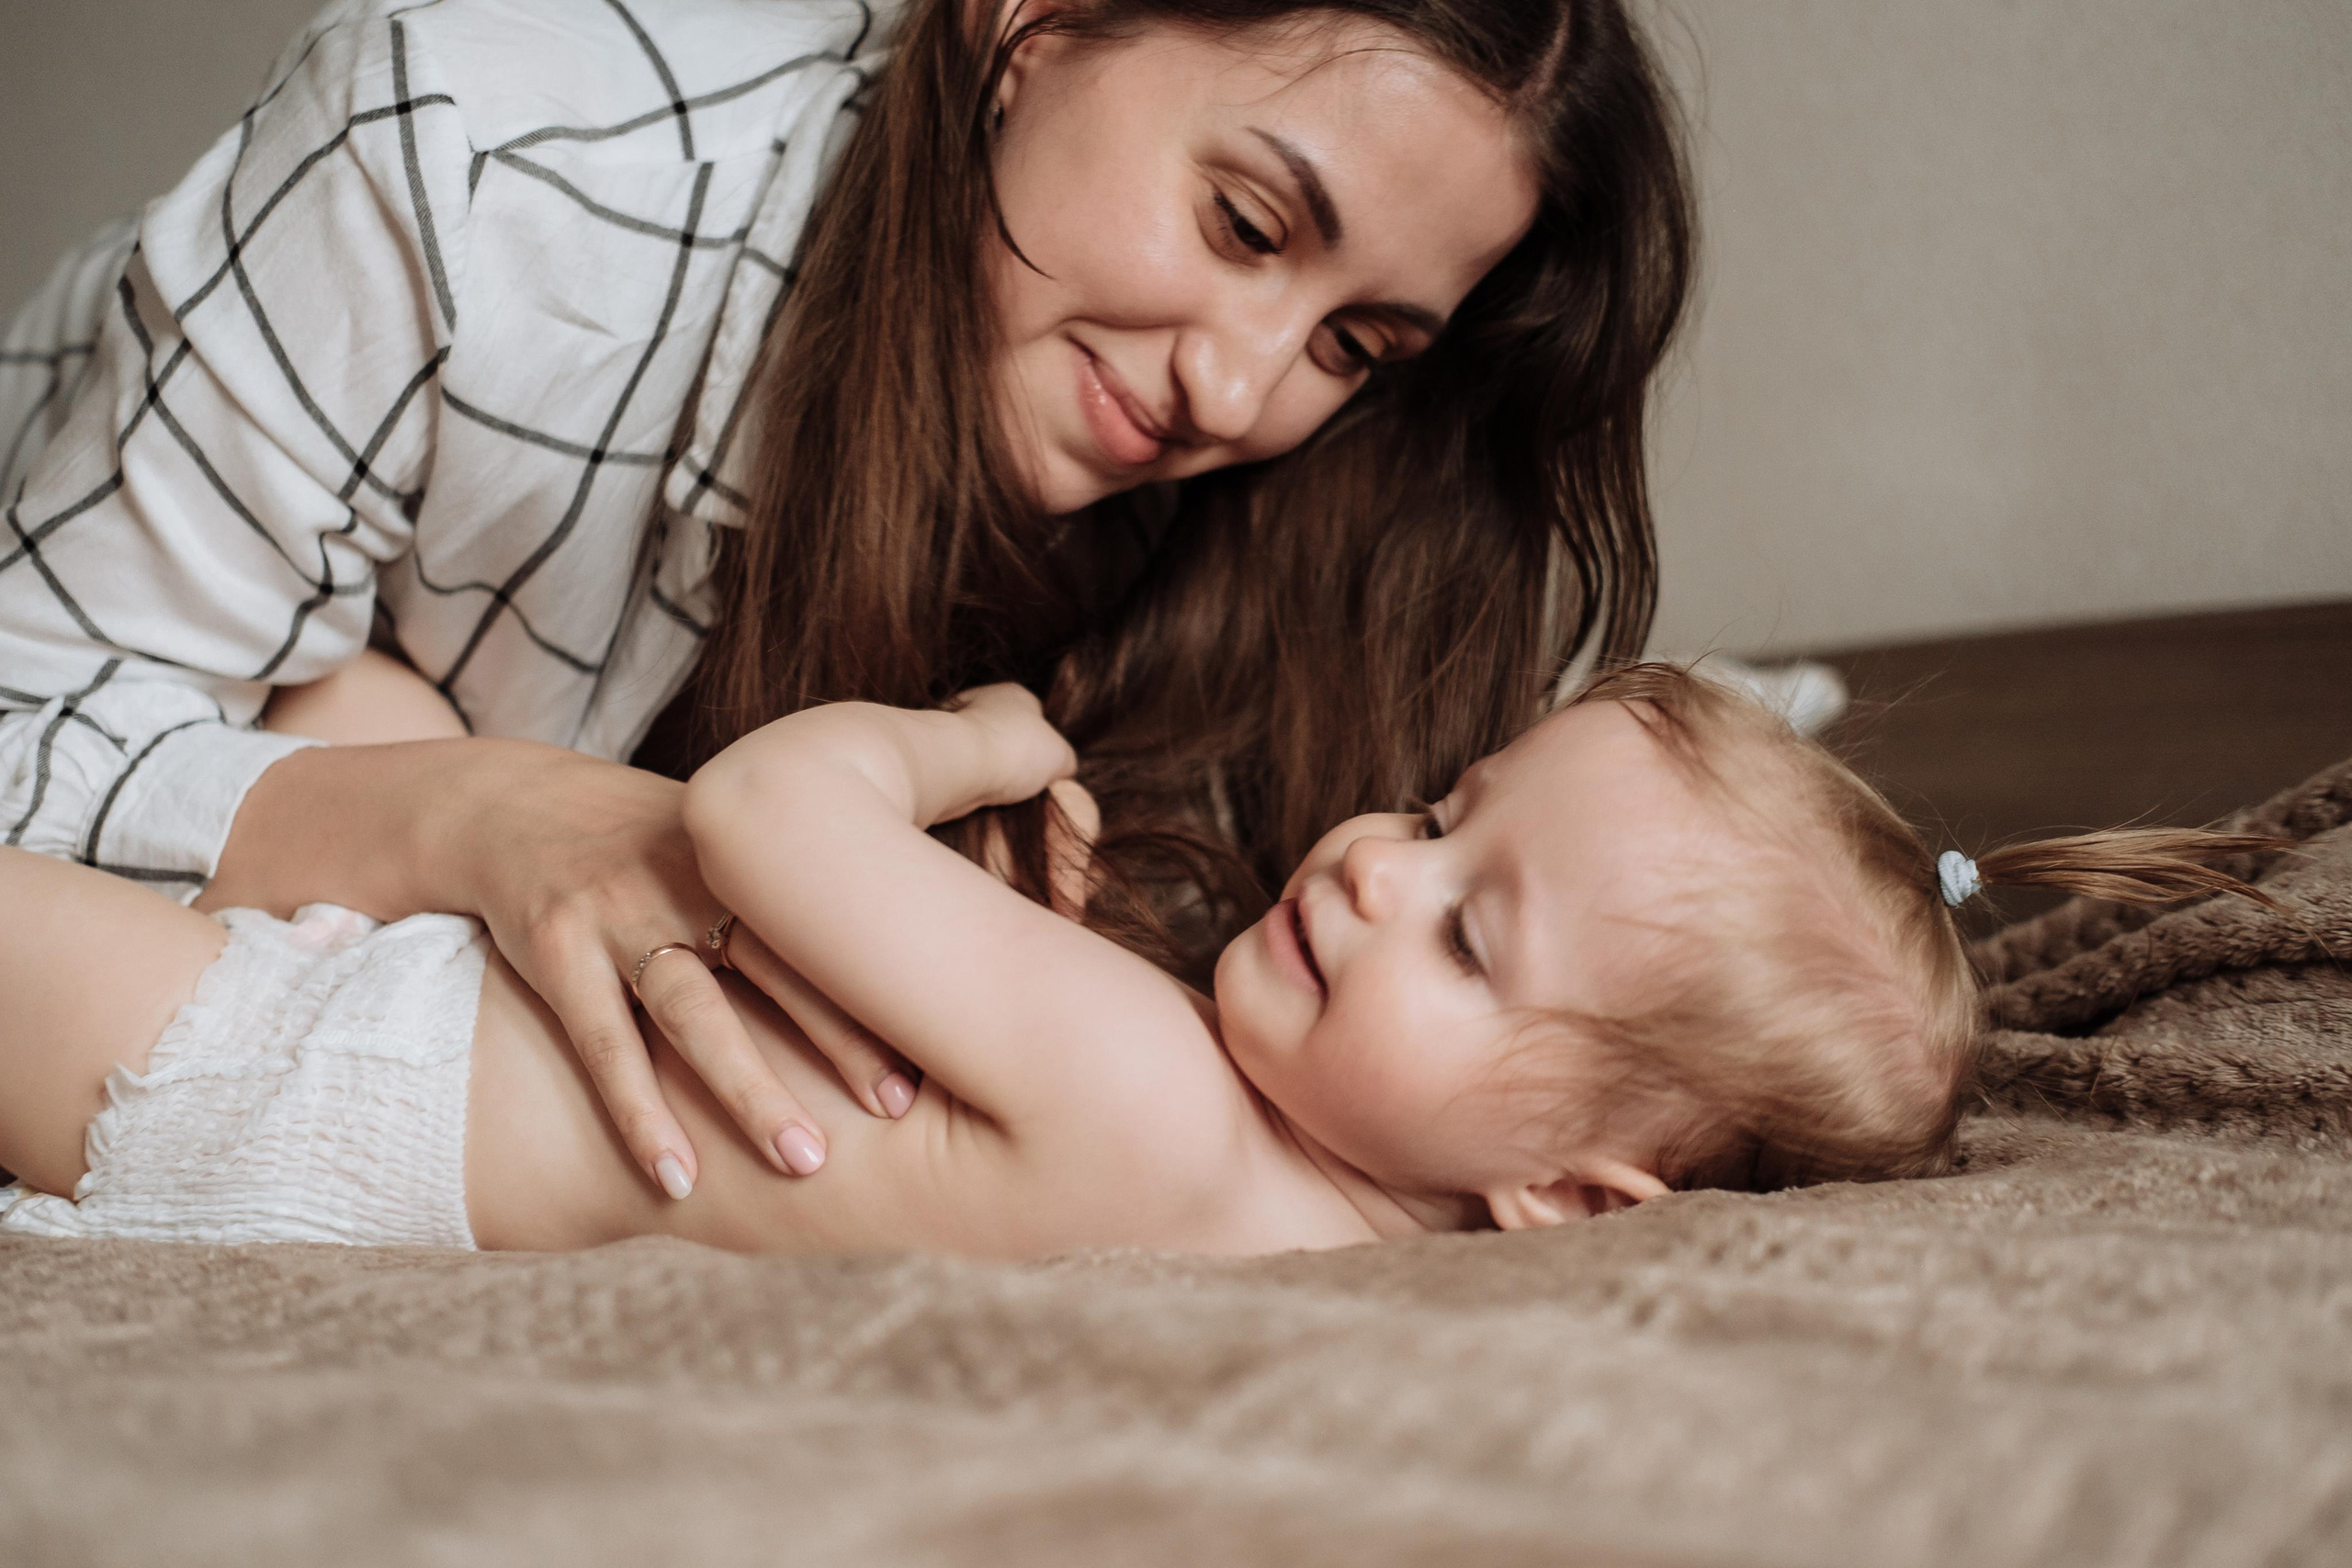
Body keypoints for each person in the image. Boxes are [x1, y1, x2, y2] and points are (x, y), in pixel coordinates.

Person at [0, 0, 1695, 1201]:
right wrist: (475, 811)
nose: (1240, 392)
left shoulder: (1294, 522)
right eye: (1246, 223)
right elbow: (27, 735)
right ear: (1034, 22)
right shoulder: (467, 158)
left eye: (1353, 346)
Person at [0, 659, 2278, 1254]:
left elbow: (755, 813)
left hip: (304, 1076)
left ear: (1577, 1193)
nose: (1375, 859)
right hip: (388, 1082)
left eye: (1469, 932)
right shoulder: (1289, 1222)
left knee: (324, 718)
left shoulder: (1159, 1087)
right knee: (366, 721)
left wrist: (968, 735)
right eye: (1443, 804)